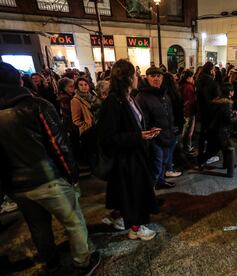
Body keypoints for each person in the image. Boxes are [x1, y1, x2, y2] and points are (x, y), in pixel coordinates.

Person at [0, 62, 100, 274]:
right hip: (47, 178)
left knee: (38, 226)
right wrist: (72, 176)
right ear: (18, 81)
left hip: (16, 185)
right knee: (74, 222)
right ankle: (83, 262)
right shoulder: (37, 105)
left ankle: (51, 262)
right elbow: (58, 145)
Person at [98, 59, 159, 241]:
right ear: (128, 77)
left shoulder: (129, 97)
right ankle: (135, 228)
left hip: (136, 155)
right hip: (126, 161)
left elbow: (134, 125)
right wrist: (139, 136)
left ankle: (130, 222)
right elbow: (108, 138)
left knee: (135, 194)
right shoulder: (113, 102)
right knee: (133, 195)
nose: (138, 77)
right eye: (136, 74)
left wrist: (145, 133)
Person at [137, 67, 176, 189]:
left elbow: (169, 113)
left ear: (162, 78)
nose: (156, 78)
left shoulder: (164, 93)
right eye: (152, 76)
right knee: (156, 166)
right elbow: (142, 120)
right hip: (154, 138)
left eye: (158, 76)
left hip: (167, 134)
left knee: (164, 162)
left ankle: (160, 182)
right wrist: (150, 134)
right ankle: (149, 194)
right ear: (146, 78)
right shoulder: (142, 96)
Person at [198, 83, 237, 177]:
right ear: (230, 92)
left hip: (214, 128)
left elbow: (220, 115)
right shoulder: (227, 103)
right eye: (232, 90)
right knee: (217, 149)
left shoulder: (217, 101)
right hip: (221, 130)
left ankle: (227, 164)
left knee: (223, 148)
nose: (233, 92)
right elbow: (228, 119)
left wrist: (231, 113)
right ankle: (201, 162)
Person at [196, 62, 221, 165]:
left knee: (203, 134)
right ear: (211, 70)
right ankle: (207, 157)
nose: (214, 71)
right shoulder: (210, 82)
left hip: (202, 111)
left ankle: (201, 155)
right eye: (214, 69)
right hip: (210, 113)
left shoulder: (199, 79)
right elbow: (214, 99)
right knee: (211, 135)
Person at [179, 69, 197, 155]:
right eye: (192, 77)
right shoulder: (189, 87)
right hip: (189, 112)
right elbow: (190, 101)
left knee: (185, 131)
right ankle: (187, 148)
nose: (193, 79)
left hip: (184, 112)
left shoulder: (182, 85)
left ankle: (184, 148)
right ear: (188, 77)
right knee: (188, 132)